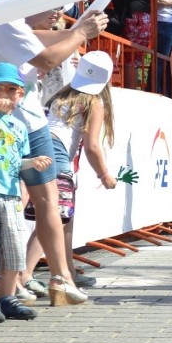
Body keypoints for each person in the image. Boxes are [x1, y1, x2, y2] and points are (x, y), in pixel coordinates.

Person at [0, 0, 106, 305]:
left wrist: (74, 32)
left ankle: (28, 282)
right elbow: (46, 60)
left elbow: (38, 39)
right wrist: (82, 33)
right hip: (23, 119)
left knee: (19, 203)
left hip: (13, 116)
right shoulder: (2, 12)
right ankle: (53, 280)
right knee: (39, 203)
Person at [41, 52, 118, 299]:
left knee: (58, 220)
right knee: (55, 220)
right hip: (59, 156)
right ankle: (25, 278)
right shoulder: (94, 103)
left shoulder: (61, 95)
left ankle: (67, 273)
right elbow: (93, 146)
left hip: (41, 149)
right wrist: (105, 175)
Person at [0, 63, 50, 322]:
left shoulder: (18, 127)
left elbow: (18, 161)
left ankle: (8, 296)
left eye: (11, 89)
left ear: (20, 95)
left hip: (11, 192)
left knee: (13, 246)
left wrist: (32, 163)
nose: (4, 94)